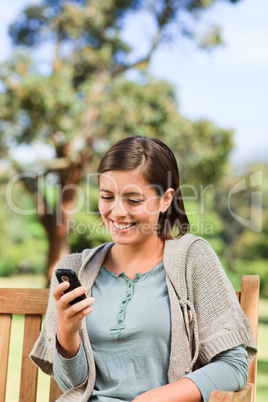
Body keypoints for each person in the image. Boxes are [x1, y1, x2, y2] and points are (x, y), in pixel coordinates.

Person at [30, 136, 257, 402]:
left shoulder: (192, 258)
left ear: (165, 199)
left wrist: (150, 399)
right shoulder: (74, 269)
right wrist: (67, 335)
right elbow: (75, 387)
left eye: (133, 200)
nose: (117, 212)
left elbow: (234, 366)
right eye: (107, 197)